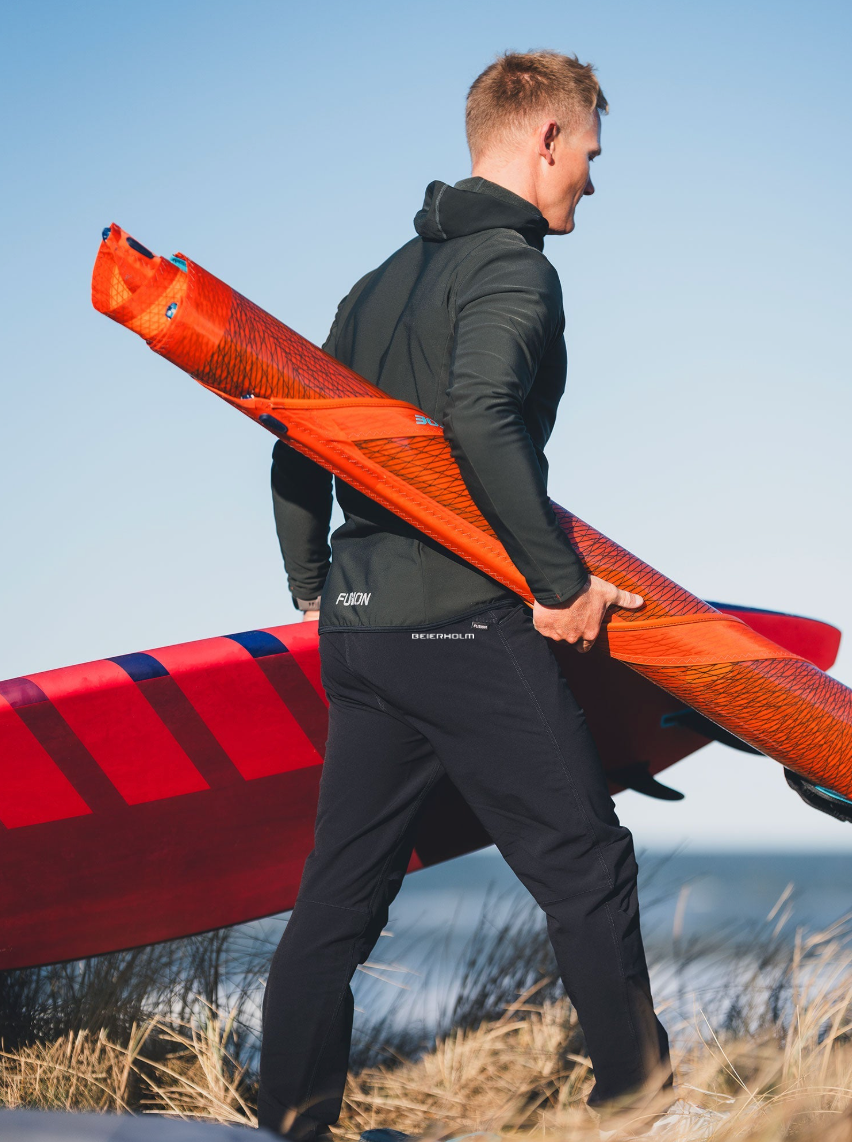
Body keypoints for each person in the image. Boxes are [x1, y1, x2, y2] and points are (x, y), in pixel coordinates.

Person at [259, 50, 672, 1138]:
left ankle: (289, 1123)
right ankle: (641, 1107)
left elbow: (295, 440)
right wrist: (559, 585)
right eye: (590, 152)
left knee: (339, 900)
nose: (593, 178)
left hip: (362, 635)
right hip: (465, 625)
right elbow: (483, 414)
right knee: (585, 862)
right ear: (547, 138)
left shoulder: (373, 284)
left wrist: (314, 583)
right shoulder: (511, 269)